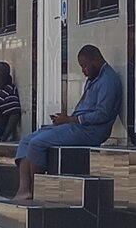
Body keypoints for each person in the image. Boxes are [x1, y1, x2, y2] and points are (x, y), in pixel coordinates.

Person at [13, 45, 122, 201]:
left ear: (97, 59)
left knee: (37, 143)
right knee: (26, 141)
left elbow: (103, 115)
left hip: (90, 132)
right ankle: (23, 188)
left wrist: (71, 119)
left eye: (85, 66)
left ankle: (34, 190)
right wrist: (66, 120)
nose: (83, 70)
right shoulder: (94, 78)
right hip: (76, 125)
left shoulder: (108, 80)